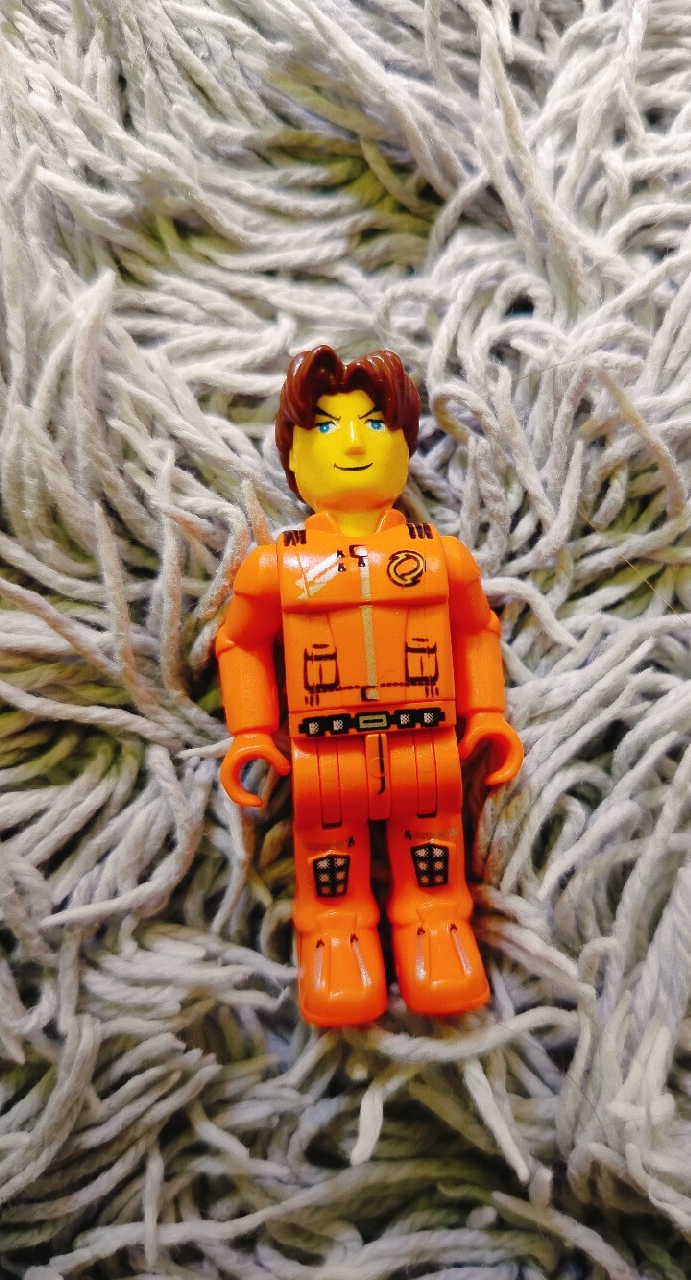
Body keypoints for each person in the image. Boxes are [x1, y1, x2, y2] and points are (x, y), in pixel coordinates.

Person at [216, 347, 523, 1026]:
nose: (353, 442)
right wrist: (250, 732)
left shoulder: (441, 557)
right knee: (330, 867)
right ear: (294, 460)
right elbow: (239, 642)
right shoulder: (276, 567)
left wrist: (487, 714)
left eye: (375, 425)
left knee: (433, 858)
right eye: (327, 427)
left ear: (404, 448)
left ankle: (438, 935)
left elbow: (477, 630)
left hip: (426, 749)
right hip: (326, 756)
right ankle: (335, 944)